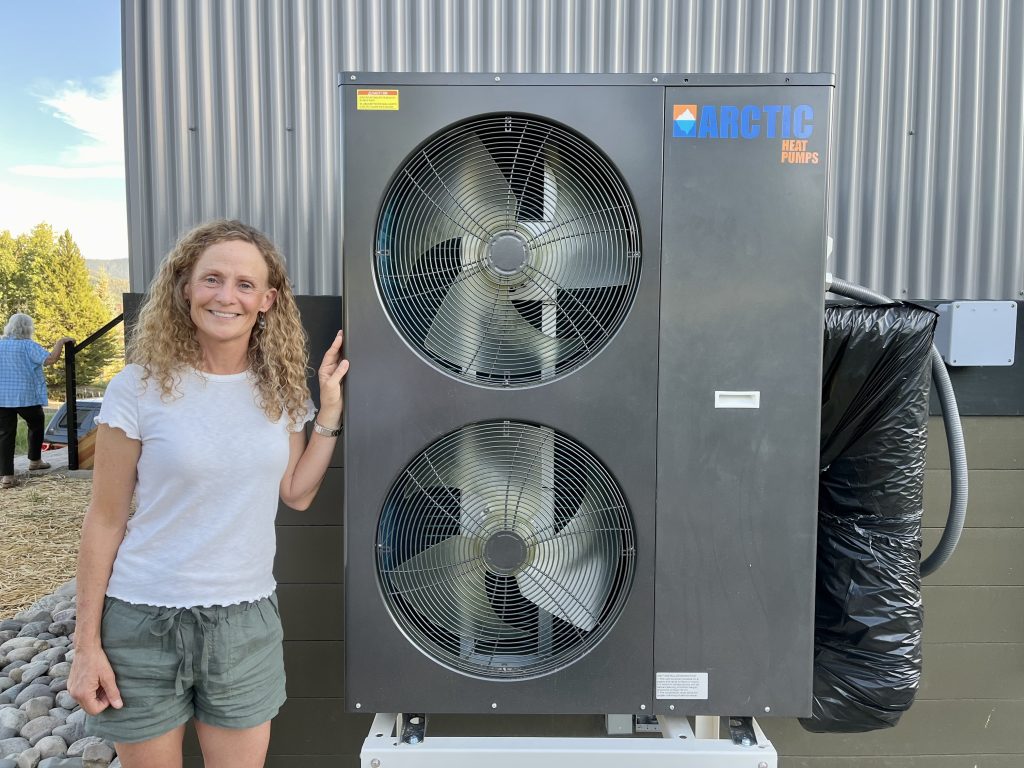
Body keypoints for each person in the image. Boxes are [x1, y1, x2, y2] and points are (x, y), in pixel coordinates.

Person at [67, 220, 349, 768]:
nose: (227, 296)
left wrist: (329, 415)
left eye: (245, 284)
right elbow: (103, 521)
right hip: (141, 621)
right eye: (212, 279)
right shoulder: (138, 388)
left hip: (243, 623)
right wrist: (85, 647)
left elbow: (296, 494)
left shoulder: (282, 391)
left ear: (268, 300)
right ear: (185, 288)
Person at [0, 313, 73, 488]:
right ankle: (35, 461)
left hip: (2, 397)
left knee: (5, 434)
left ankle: (7, 477)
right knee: (36, 423)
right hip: (26, 396)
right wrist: (61, 342)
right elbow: (50, 359)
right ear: (27, 328)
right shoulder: (27, 346)